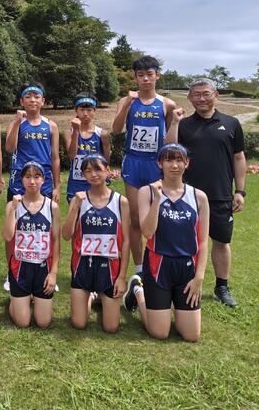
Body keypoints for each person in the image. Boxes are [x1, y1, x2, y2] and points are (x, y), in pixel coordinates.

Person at [166, 78, 246, 307]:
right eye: (196, 95)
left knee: (221, 241)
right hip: (187, 196)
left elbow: (238, 157)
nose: (201, 98)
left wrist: (240, 191)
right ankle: (183, 282)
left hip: (220, 194)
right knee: (185, 241)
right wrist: (174, 122)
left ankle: (222, 287)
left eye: (206, 94)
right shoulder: (183, 124)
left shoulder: (231, 123)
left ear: (215, 95)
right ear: (190, 98)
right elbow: (169, 150)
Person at [123, 144, 209, 342]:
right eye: (169, 160)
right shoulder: (147, 192)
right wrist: (157, 200)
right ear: (160, 163)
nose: (174, 165)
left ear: (187, 163)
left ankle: (168, 303)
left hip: (187, 268)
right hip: (158, 266)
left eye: (179, 160)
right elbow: (147, 232)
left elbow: (203, 241)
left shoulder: (199, 197)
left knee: (191, 335)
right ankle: (138, 290)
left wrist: (199, 277)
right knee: (159, 333)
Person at [111, 56, 178, 277]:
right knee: (135, 218)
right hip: (133, 162)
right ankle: (140, 268)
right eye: (141, 75)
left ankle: (161, 259)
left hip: (156, 164)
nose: (146, 79)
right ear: (135, 78)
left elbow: (170, 140)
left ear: (157, 75)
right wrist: (126, 105)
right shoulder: (126, 101)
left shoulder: (167, 104)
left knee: (160, 214)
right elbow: (117, 130)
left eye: (150, 74)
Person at [62, 154, 129, 332]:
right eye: (88, 171)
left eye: (98, 169)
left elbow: (126, 241)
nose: (93, 174)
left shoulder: (120, 201)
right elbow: (66, 235)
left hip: (110, 268)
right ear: (83, 175)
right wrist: (75, 207)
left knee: (111, 328)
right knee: (79, 323)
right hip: (82, 266)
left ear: (107, 171)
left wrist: (122, 278)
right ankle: (91, 296)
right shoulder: (79, 199)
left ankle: (104, 295)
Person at [3, 82, 60, 290]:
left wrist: (57, 185)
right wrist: (17, 123)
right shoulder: (17, 122)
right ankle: (11, 272)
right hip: (20, 181)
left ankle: (47, 271)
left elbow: (55, 157)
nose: (33, 100)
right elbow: (9, 148)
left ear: (43, 101)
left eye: (37, 96)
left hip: (44, 183)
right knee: (14, 227)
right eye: (28, 96)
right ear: (22, 101)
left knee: (46, 228)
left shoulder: (50, 125)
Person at [3, 161, 60, 329]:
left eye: (37, 177)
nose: (32, 181)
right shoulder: (13, 205)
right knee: (23, 323)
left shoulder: (52, 207)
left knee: (43, 322)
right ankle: (16, 300)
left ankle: (31, 297)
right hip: (20, 267)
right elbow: (7, 236)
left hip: (43, 267)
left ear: (44, 180)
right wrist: (13, 209)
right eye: (27, 177)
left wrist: (53, 273)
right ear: (22, 180)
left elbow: (56, 241)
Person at [62, 92, 112, 202]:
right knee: (76, 212)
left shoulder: (102, 134)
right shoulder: (69, 133)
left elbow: (106, 161)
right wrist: (76, 131)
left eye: (89, 110)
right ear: (76, 110)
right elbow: (72, 156)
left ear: (94, 110)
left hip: (96, 181)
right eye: (81, 110)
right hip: (76, 183)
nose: (85, 114)